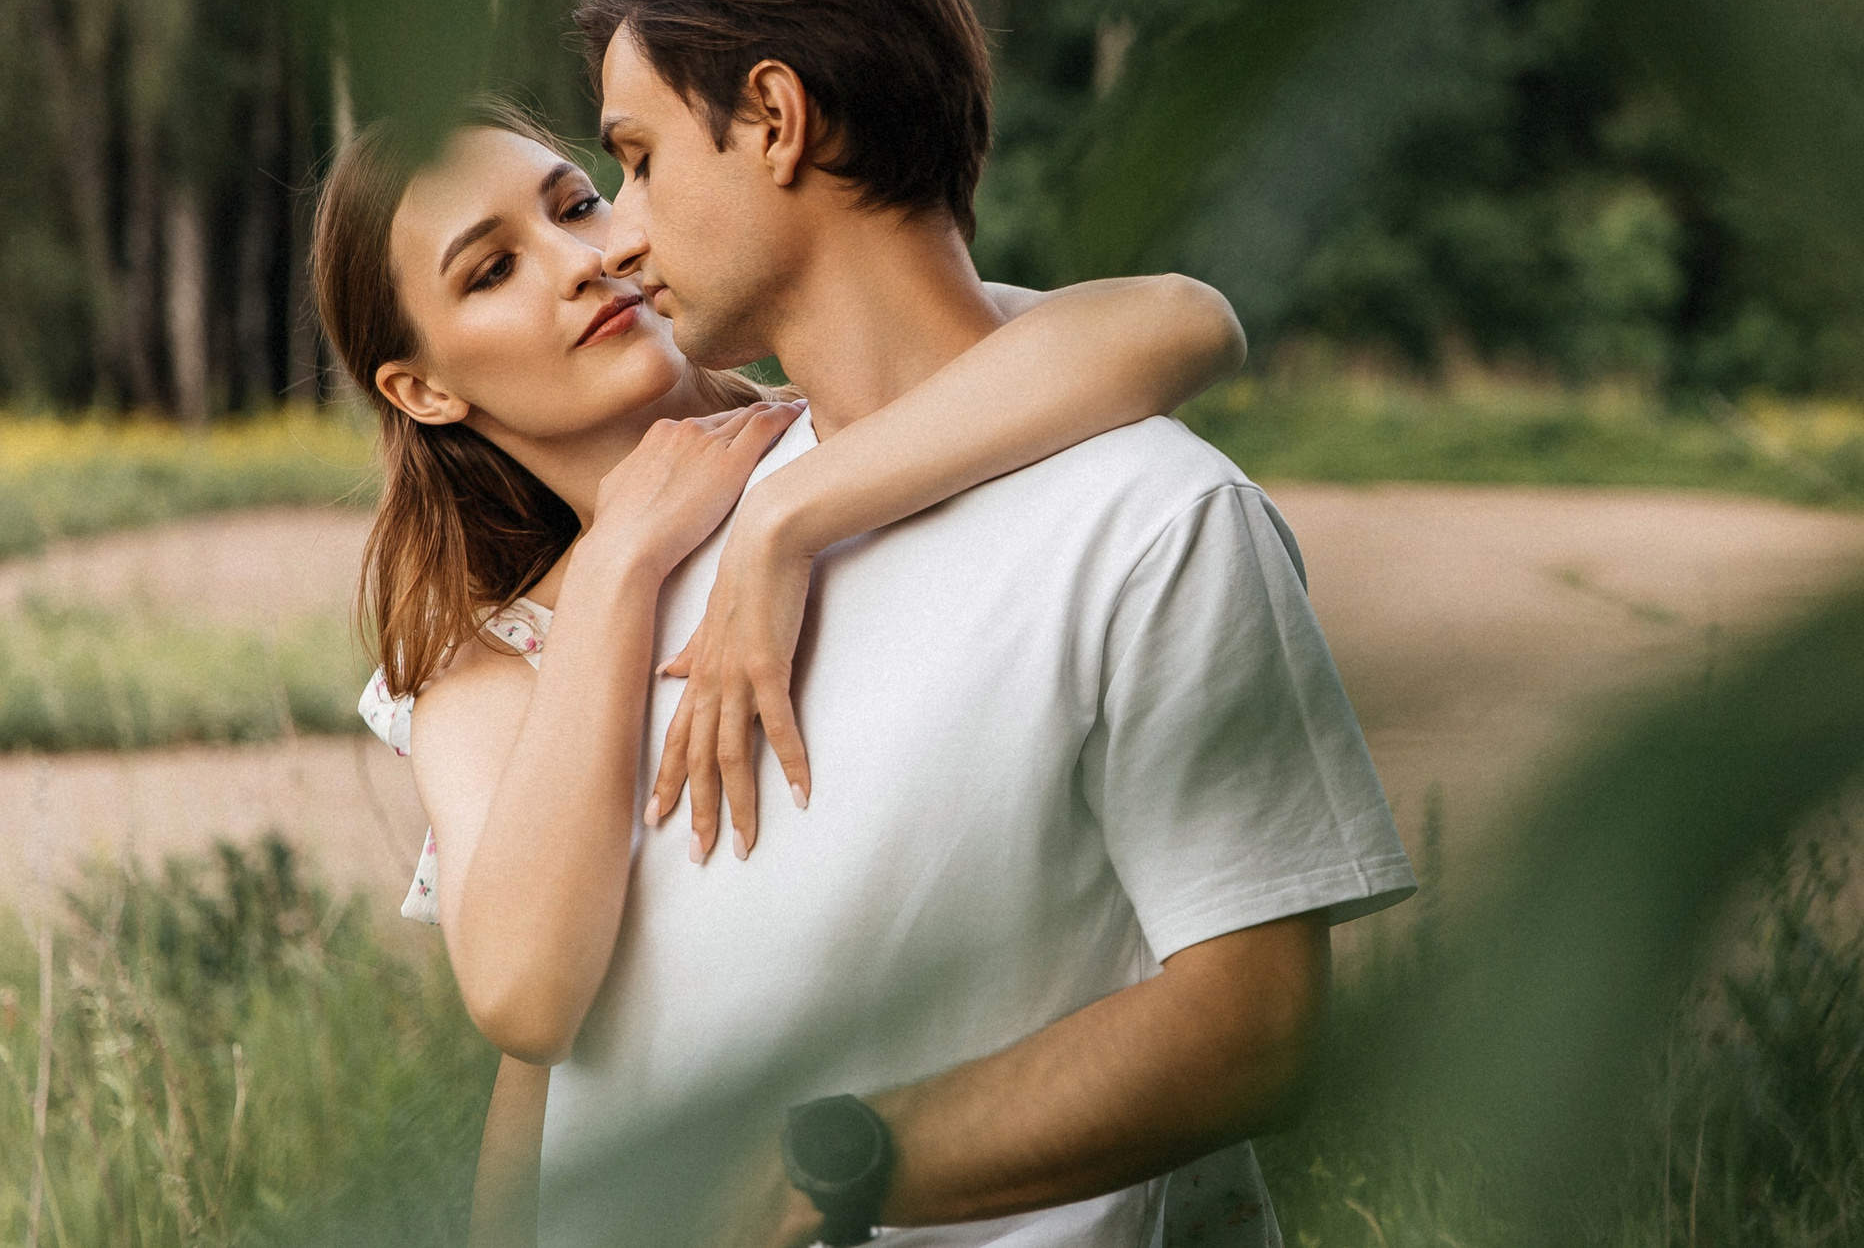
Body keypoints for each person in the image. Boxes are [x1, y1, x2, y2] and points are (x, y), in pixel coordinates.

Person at [558, 0, 1413, 1248]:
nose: (618, 226)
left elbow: (1255, 1024)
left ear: (776, 117)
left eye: (642, 157)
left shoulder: (1150, 522)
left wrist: (826, 1168)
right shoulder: (690, 511)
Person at [315, 100, 1256, 1243]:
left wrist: (789, 516)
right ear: (422, 390)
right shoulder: (493, 662)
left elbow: (1182, 322)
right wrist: (620, 563)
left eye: (578, 203)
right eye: (494, 270)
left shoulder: (864, 406)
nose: (585, 259)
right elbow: (529, 1004)